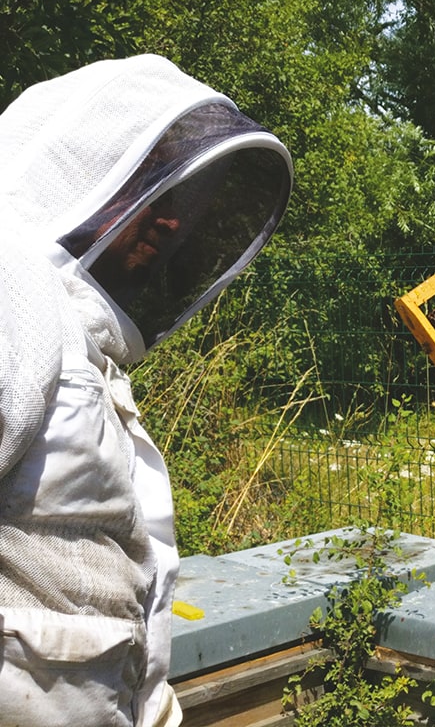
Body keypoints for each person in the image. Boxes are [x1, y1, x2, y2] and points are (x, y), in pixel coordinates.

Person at [0, 54, 292, 726]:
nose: (172, 222)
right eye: (148, 191)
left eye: (179, 200)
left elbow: (115, 592)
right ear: (83, 173)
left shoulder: (79, 337)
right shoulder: (14, 289)